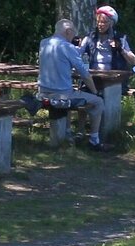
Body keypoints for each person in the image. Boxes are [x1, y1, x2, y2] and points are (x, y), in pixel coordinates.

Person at [33, 18, 105, 149]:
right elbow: (85, 74)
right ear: (68, 31)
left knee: (70, 93)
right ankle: (94, 140)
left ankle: (68, 133)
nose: (74, 37)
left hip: (42, 93)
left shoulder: (44, 43)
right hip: (61, 95)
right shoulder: (67, 47)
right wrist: (95, 92)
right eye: (73, 34)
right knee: (98, 101)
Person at [79, 6, 135, 73]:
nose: (100, 24)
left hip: (114, 79)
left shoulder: (121, 39)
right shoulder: (90, 38)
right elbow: (77, 54)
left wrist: (120, 49)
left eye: (104, 22)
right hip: (93, 78)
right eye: (98, 22)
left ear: (111, 23)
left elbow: (133, 61)